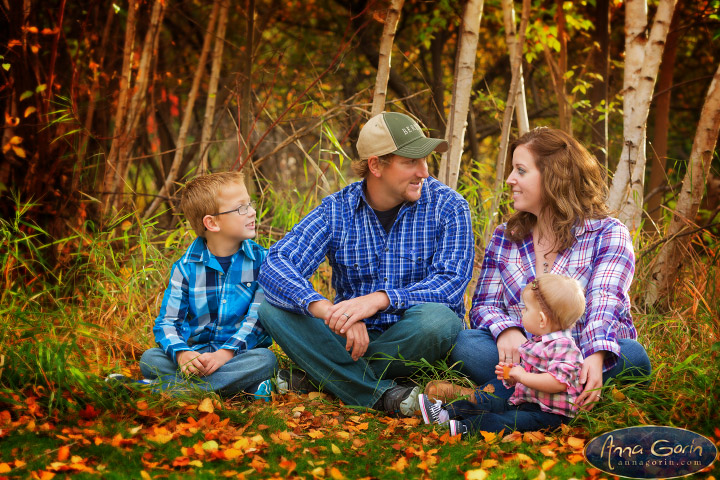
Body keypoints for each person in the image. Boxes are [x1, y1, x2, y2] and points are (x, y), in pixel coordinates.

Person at [257, 112, 475, 416]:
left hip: (413, 337)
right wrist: (329, 310)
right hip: (350, 338)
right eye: (411, 162)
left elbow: (449, 286)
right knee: (271, 307)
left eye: (425, 160)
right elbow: (276, 263)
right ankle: (380, 393)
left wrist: (379, 300)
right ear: (376, 165)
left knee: (439, 320)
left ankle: (322, 376)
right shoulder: (337, 210)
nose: (424, 172)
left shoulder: (449, 206)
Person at [451, 127, 651, 410]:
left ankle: (496, 396)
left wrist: (596, 355)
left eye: (521, 170)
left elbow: (605, 301)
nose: (510, 180)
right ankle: (556, 396)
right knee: (467, 345)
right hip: (524, 356)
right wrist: (506, 330)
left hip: (580, 354)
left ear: (554, 177)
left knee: (633, 356)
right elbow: (484, 305)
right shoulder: (505, 236)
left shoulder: (607, 233)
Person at [132, 171, 278, 398]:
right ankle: (238, 387)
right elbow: (168, 322)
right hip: (195, 358)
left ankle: (171, 390)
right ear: (212, 223)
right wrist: (182, 355)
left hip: (237, 356)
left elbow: (256, 321)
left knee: (266, 360)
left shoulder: (262, 262)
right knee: (150, 359)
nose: (252, 212)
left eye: (250, 204)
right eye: (241, 208)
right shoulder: (186, 267)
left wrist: (223, 355)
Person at [419, 274, 585, 435]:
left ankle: (465, 428)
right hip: (527, 400)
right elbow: (533, 371)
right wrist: (512, 375)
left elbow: (558, 383)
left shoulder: (565, 347)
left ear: (542, 320)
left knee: (504, 421)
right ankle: (445, 414)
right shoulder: (539, 341)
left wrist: (522, 376)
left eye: (526, 309)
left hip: (549, 414)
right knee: (493, 402)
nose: (522, 314)